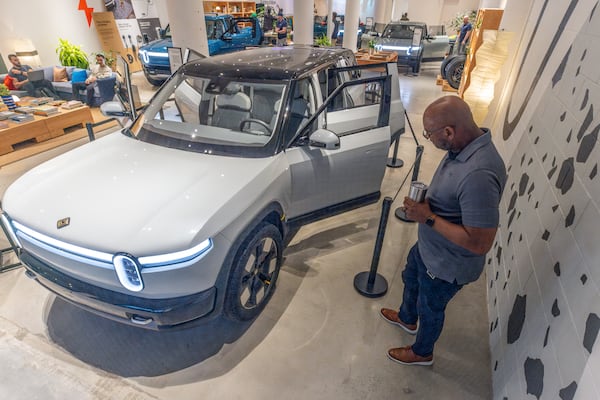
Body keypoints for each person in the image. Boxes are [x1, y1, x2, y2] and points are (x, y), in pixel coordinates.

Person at [380, 96, 506, 366]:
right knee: (410, 277)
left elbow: (479, 243)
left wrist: (428, 218)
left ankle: (422, 352)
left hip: (446, 265)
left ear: (449, 131)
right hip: (430, 249)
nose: (428, 139)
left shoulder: (479, 175)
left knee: (431, 308)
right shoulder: (462, 148)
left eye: (430, 134)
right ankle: (406, 317)